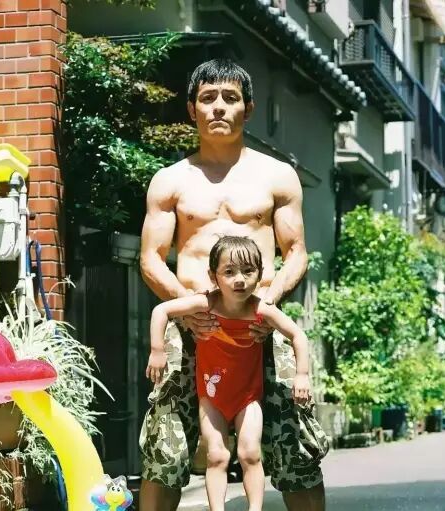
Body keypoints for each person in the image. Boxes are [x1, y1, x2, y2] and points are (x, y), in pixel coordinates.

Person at [139, 58, 328, 511]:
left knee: (295, 446)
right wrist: (189, 307)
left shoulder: (278, 176)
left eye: (230, 97)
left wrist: (269, 303)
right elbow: (150, 258)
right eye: (208, 98)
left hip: (261, 327)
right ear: (192, 109)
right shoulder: (170, 180)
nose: (219, 107)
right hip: (191, 327)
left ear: (249, 108)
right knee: (165, 449)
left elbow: (296, 252)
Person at [146, 236, 312, 511]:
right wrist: (157, 350)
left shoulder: (260, 309)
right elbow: (161, 310)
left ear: (260, 274)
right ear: (214, 276)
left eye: (248, 271)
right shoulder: (206, 303)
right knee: (216, 455)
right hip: (211, 396)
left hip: (248, 396)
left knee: (250, 453)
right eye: (229, 272)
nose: (239, 280)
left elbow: (298, 336)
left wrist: (302, 374)